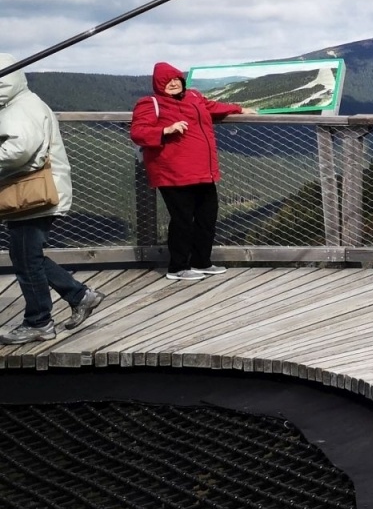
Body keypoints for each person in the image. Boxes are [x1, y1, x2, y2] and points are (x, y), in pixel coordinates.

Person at [0, 54, 106, 344]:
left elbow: (19, 151)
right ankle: (80, 295)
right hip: (38, 193)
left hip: (34, 195)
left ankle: (39, 322)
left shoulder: (18, 109)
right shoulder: (22, 102)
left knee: (25, 259)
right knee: (26, 256)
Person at [130, 62, 255, 282]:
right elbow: (138, 132)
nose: (173, 83)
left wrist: (239, 109)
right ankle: (178, 267)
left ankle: (202, 262)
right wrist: (165, 130)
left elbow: (212, 106)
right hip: (173, 173)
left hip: (203, 171)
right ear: (158, 84)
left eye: (176, 79)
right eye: (167, 81)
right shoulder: (150, 103)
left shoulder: (194, 97)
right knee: (183, 220)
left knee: (207, 217)